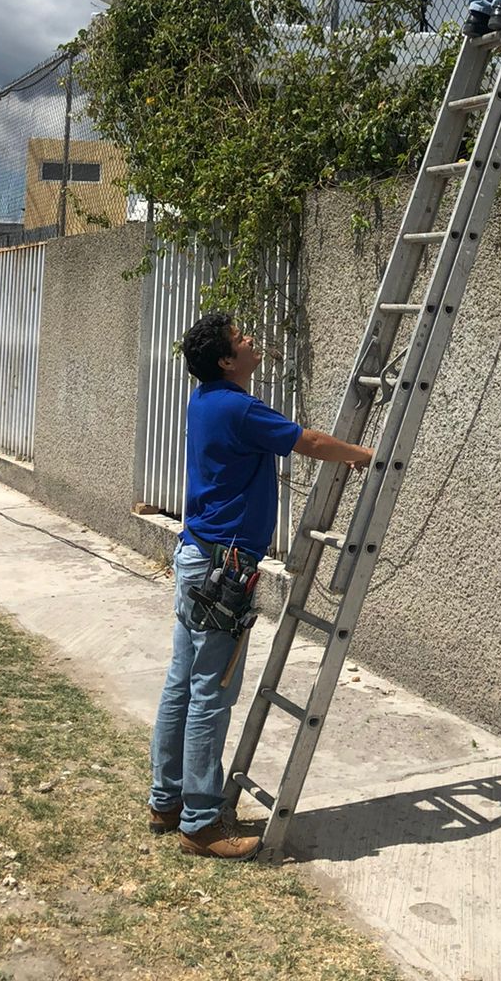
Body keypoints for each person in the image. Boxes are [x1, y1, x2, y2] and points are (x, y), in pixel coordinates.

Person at [148, 311, 373, 860]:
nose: (251, 343)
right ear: (227, 360)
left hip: (197, 558)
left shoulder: (205, 401)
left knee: (184, 683)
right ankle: (201, 823)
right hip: (222, 570)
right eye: (241, 340)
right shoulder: (237, 407)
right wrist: (369, 457)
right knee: (211, 693)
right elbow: (311, 443)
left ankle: (167, 799)